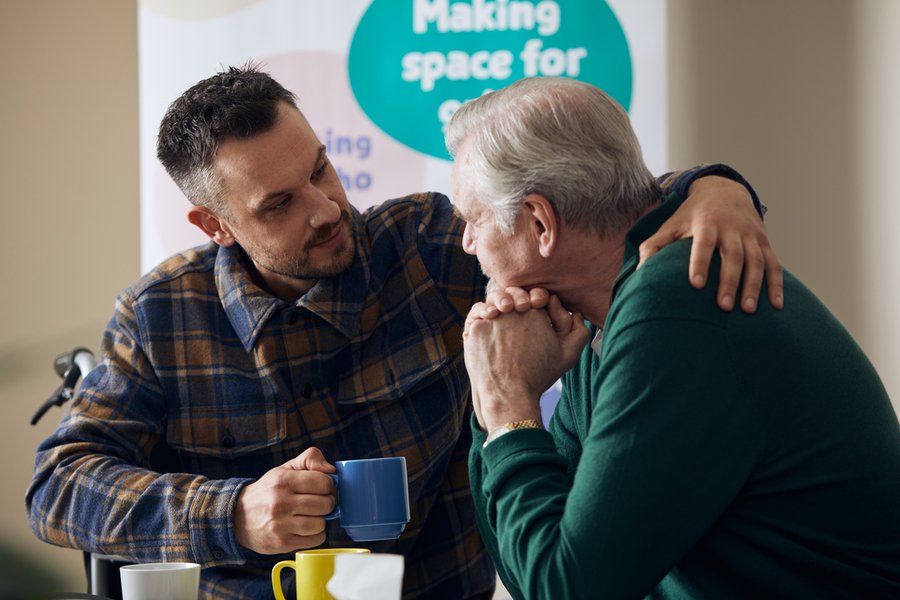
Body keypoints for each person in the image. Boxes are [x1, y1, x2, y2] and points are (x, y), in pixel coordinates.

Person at [27, 66, 779, 600]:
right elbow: (57, 487)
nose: (325, 208)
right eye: (280, 203)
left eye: (322, 169)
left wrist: (715, 188)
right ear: (214, 225)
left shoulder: (426, 247)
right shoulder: (161, 316)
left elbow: (583, 206)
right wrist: (235, 515)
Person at [452, 76, 900, 599]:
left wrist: (508, 407)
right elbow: (535, 567)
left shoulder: (672, 307)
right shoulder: (596, 316)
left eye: (472, 219)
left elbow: (568, 590)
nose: (465, 243)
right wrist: (493, 412)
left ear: (539, 222)